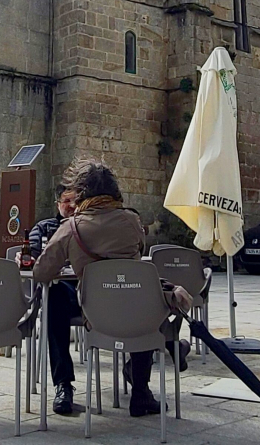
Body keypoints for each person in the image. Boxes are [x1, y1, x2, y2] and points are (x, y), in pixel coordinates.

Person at [33, 159, 191, 419]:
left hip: (95, 314)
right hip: (134, 311)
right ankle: (140, 391)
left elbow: (41, 273)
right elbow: (134, 260)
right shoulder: (132, 221)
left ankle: (64, 384)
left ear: (82, 192)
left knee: (55, 299)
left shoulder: (69, 228)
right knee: (146, 302)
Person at [27, 188, 84, 415]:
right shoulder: (44, 227)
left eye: (75, 201)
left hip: (91, 289)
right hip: (61, 290)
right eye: (66, 201)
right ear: (57, 203)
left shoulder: (88, 228)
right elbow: (34, 255)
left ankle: (171, 346)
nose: (70, 206)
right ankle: (63, 385)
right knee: (54, 299)